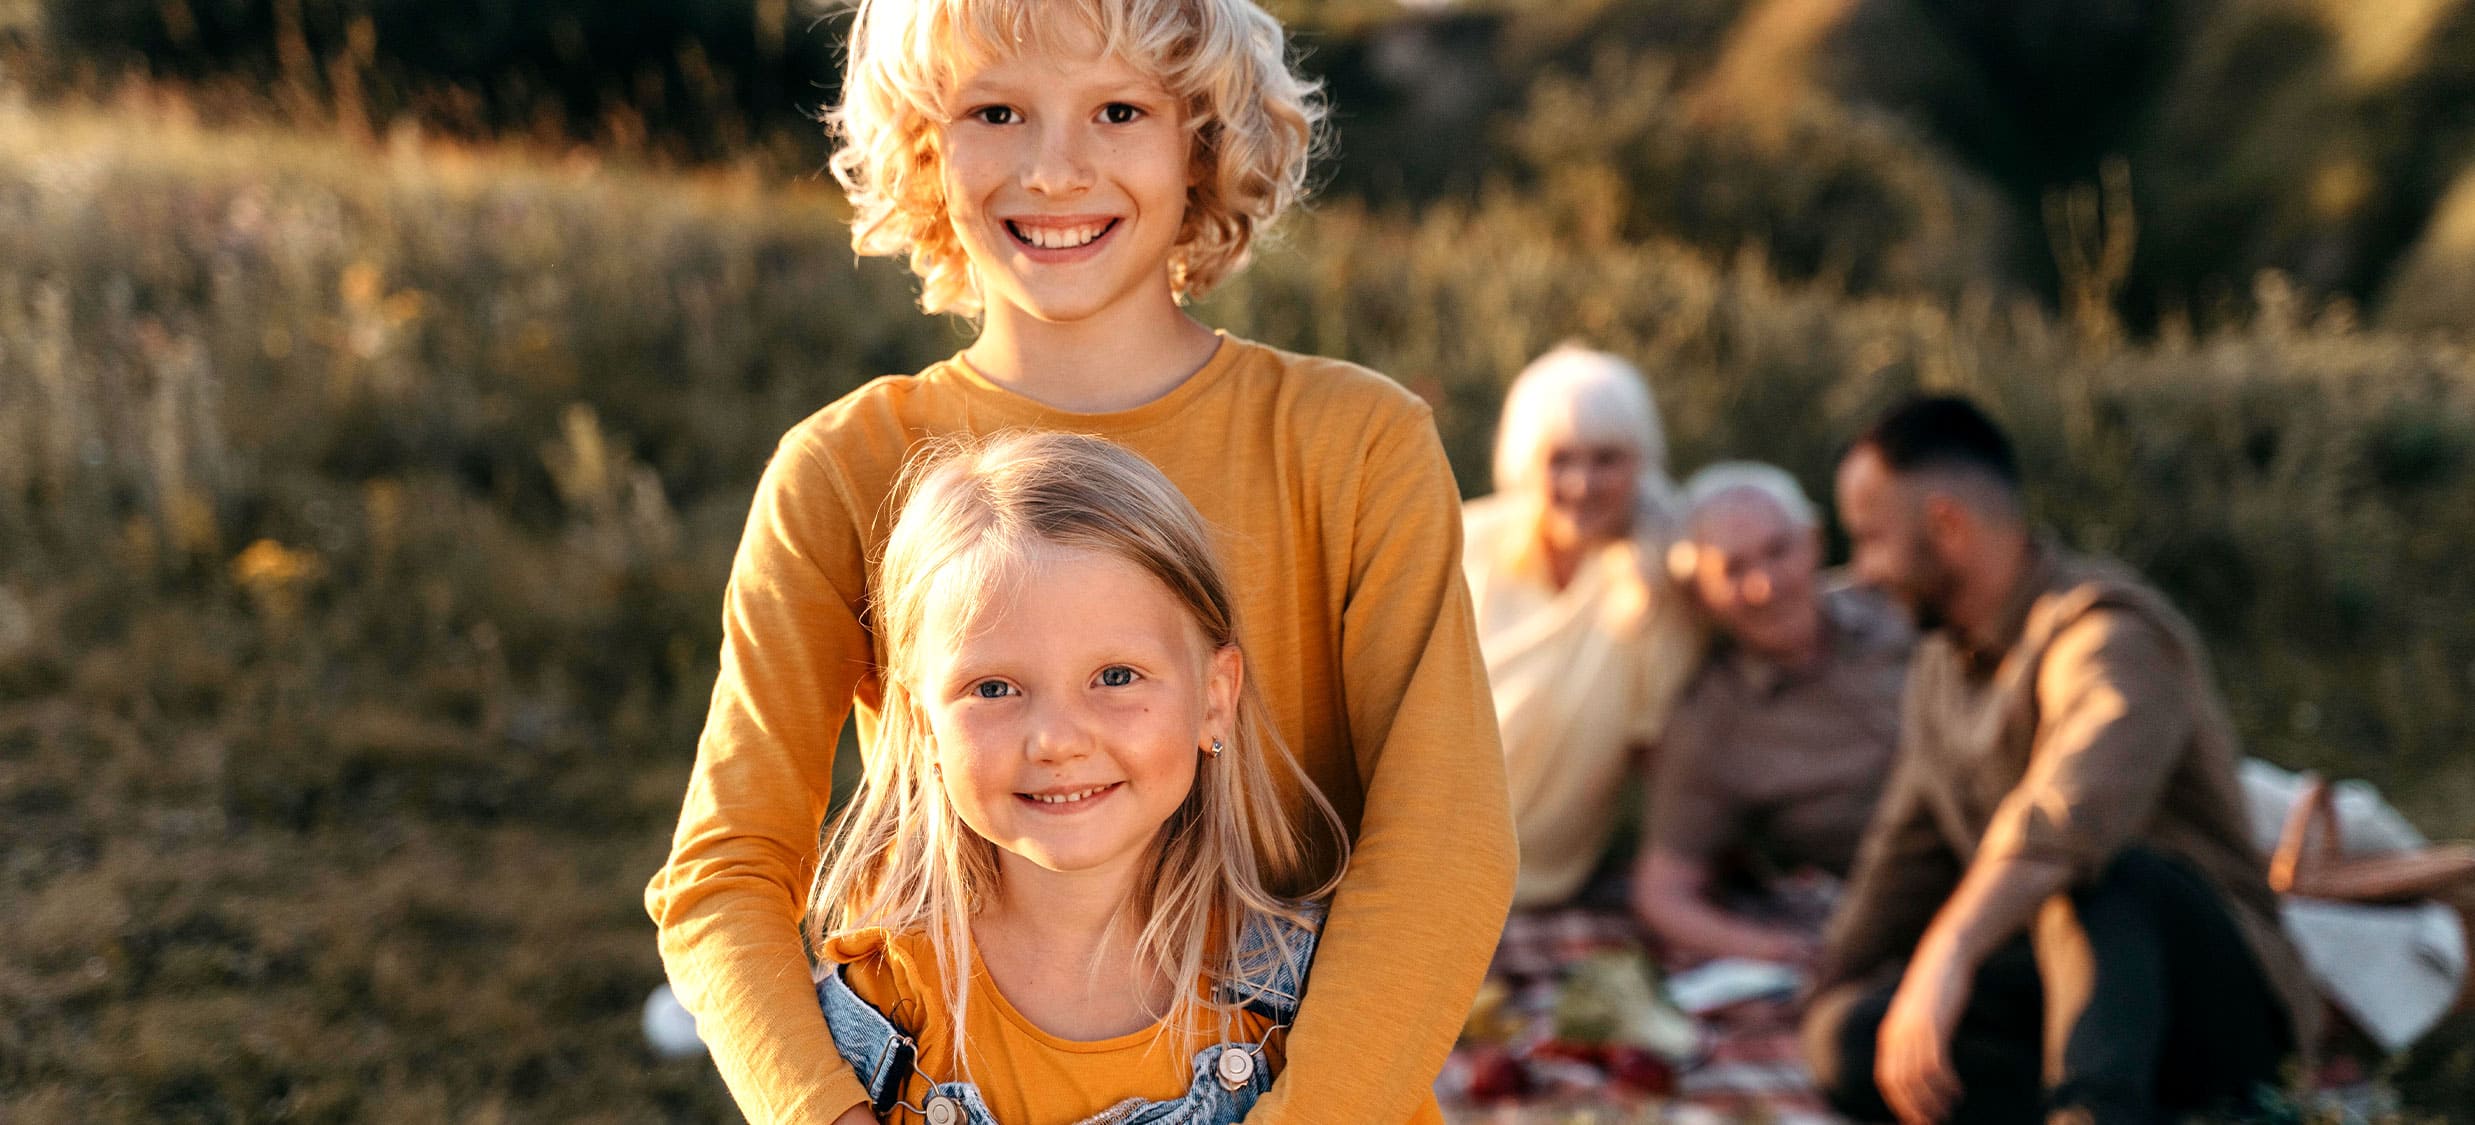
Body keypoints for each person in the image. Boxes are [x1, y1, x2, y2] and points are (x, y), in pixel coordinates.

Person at [642, 2, 1516, 1121]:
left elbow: (1445, 844)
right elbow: (724, 875)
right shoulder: (843, 467)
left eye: (1118, 111)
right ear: (924, 143)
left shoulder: (1356, 444)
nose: (1056, 171)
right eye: (995, 112)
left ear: (1201, 141)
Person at [809, 432, 1426, 1124]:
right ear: (924, 725)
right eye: (993, 687)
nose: (1058, 739)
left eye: (1115, 676)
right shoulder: (880, 1010)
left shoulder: (1308, 1003)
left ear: (1214, 698)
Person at [1806, 396, 2316, 1124]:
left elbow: (2064, 819)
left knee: (2095, 874)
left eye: (1871, 539)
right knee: (1850, 1040)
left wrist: (1946, 952)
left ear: (1946, 525)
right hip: (2059, 996)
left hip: (2204, 1000)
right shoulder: (1940, 664)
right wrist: (1834, 981)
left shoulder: (2108, 633)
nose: (1859, 571)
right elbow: (1905, 850)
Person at [1634, 462, 1909, 966]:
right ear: (1700, 593)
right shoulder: (1709, 721)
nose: (1765, 584)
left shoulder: (1901, 611)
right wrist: (1771, 949)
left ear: (1815, 544)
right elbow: (1663, 894)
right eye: (1733, 569)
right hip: (1902, 904)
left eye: (1778, 551)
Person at [1460, 344, 1702, 912]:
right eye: (1561, 459)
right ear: (1524, 461)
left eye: (1607, 460)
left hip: (1535, 884)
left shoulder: (1656, 581)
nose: (1583, 483)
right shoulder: (1466, 543)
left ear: (1640, 462)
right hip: (1403, 846)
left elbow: (1664, 759)